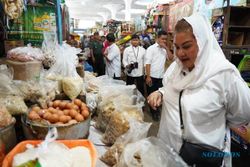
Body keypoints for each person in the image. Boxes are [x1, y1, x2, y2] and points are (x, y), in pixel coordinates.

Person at [147, 13, 250, 167]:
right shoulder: (176, 69)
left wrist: (215, 121)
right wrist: (161, 92)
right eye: (176, 47)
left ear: (202, 42)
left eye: (187, 46)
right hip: (170, 153)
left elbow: (242, 114)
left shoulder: (223, 74)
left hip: (203, 157)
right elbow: (172, 89)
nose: (180, 53)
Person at [145, 30, 173, 121]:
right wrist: (148, 76)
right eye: (162, 39)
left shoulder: (164, 49)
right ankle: (154, 113)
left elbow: (171, 58)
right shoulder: (151, 49)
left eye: (166, 39)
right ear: (157, 38)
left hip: (161, 77)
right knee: (151, 95)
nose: (164, 41)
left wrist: (166, 48)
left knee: (159, 95)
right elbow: (147, 63)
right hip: (152, 77)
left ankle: (157, 110)